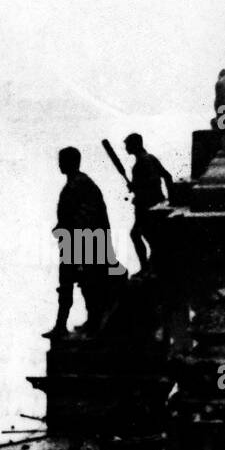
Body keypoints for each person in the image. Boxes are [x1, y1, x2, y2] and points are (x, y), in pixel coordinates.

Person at [45, 146, 123, 338]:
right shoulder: (78, 183)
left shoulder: (80, 184)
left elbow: (87, 215)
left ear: (71, 162)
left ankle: (90, 323)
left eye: (63, 160)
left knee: (86, 285)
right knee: (71, 284)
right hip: (74, 242)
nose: (60, 164)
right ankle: (63, 325)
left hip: (82, 243)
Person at [124, 134, 173, 270]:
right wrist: (170, 199)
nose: (126, 148)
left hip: (146, 206)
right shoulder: (150, 158)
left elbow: (151, 182)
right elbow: (166, 176)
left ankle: (146, 267)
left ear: (135, 145)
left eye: (127, 145)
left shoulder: (142, 162)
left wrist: (135, 187)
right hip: (153, 203)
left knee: (138, 234)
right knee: (148, 235)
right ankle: (151, 264)